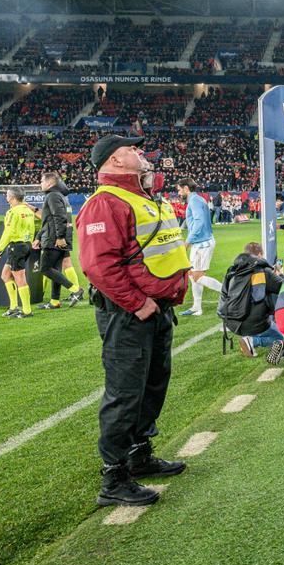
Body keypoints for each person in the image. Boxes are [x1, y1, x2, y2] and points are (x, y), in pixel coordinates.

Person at [75, 135, 191, 507]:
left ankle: (139, 455)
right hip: (130, 314)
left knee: (152, 386)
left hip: (157, 311)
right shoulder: (105, 202)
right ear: (115, 160)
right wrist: (138, 302)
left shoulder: (142, 198)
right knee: (125, 392)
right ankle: (114, 478)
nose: (140, 153)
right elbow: (98, 266)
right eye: (132, 149)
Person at [34, 171, 84, 310]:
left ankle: (75, 290)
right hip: (60, 237)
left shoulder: (52, 195)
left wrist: (60, 237)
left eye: (42, 181)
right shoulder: (62, 196)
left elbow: (59, 217)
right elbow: (49, 219)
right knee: (56, 269)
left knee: (45, 268)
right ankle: (54, 301)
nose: (41, 183)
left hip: (54, 239)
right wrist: (39, 237)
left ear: (50, 183)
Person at [177, 180, 224, 317]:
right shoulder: (198, 199)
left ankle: (229, 293)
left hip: (202, 243)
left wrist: (187, 242)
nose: (179, 193)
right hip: (201, 242)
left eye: (180, 190)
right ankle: (196, 307)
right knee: (193, 275)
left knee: (197, 276)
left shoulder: (194, 201)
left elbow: (199, 222)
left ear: (186, 188)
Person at [0, 188, 39, 318]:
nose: (6, 196)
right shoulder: (28, 210)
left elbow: (7, 233)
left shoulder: (12, 212)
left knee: (20, 278)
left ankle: (27, 310)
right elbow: (34, 227)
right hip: (26, 245)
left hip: (17, 246)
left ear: (12, 197)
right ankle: (14, 307)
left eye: (7, 195)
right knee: (6, 275)